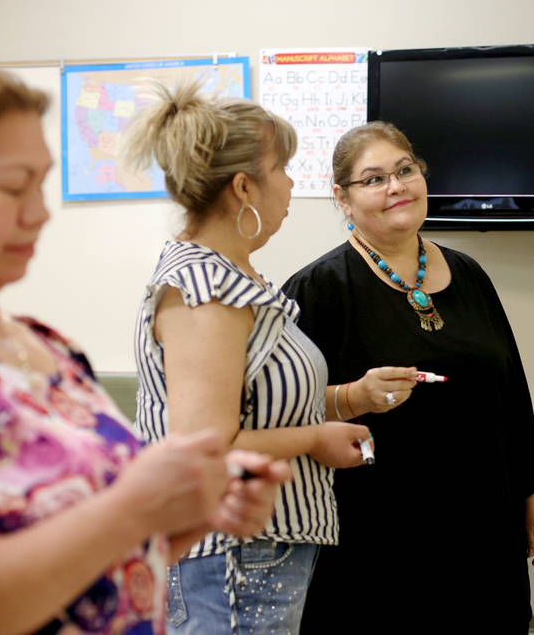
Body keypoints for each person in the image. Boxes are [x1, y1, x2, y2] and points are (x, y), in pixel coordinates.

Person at [0, 62, 287, 635]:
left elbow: (99, 563)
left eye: (42, 184)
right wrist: (135, 507)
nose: (41, 212)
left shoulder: (47, 348)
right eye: (11, 186)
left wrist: (186, 516)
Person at [282, 121, 534, 633]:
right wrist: (352, 396)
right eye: (374, 179)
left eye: (405, 170)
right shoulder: (317, 288)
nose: (396, 187)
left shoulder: (470, 274)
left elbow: (510, 391)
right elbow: (279, 409)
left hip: (483, 528)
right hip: (377, 537)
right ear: (343, 199)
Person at [126, 81, 372, 633]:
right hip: (233, 558)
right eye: (283, 169)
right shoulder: (205, 288)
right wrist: (314, 439)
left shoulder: (233, 279)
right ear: (243, 187)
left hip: (258, 552)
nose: (289, 184)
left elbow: (260, 403)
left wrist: (348, 400)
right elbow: (205, 447)